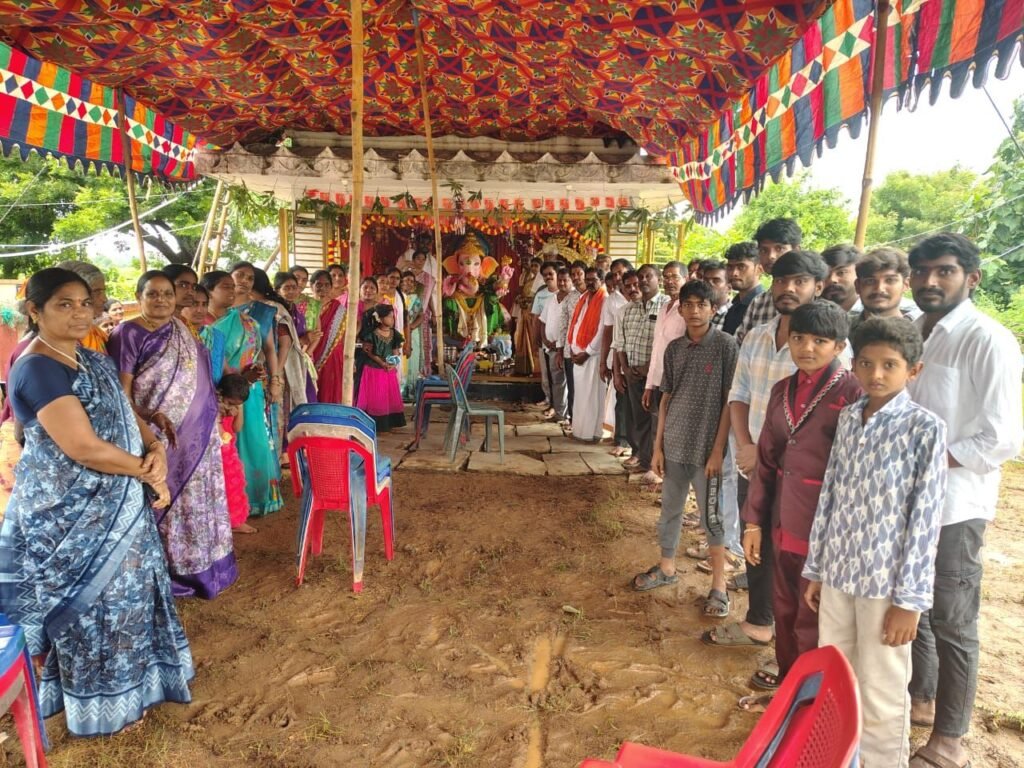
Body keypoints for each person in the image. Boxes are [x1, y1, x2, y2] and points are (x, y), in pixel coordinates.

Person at [0, 267, 193, 736]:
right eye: (64, 304)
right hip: (68, 518)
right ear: (35, 311)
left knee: (128, 600)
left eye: (85, 303)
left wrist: (155, 448)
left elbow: (127, 412)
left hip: (119, 504)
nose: (79, 313)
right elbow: (83, 447)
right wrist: (145, 470)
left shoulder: (92, 358)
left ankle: (137, 689)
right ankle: (97, 706)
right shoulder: (37, 367)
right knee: (92, 611)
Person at [799, 317, 947, 767]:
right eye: (865, 363)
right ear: (854, 364)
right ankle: (839, 758)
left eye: (889, 365)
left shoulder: (924, 428)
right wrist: (817, 568)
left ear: (913, 370)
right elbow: (831, 493)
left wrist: (910, 602)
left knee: (881, 689)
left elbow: (926, 519)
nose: (875, 374)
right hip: (838, 573)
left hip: (885, 585)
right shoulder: (849, 417)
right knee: (836, 675)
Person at [905, 234, 1024, 768]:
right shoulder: (914, 332)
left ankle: (949, 739)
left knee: (953, 620)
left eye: (944, 271)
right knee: (914, 604)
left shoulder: (987, 339)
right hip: (907, 498)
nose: (930, 281)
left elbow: (1001, 438)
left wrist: (926, 460)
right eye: (921, 271)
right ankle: (922, 700)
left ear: (971, 278)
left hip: (956, 506)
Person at [706, 250, 831, 659]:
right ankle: (759, 622)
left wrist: (764, 454)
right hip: (752, 464)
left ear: (818, 287)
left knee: (794, 556)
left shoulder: (828, 349)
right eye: (781, 281)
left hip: (801, 476)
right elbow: (738, 393)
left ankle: (798, 647)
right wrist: (746, 445)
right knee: (754, 542)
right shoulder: (757, 336)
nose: (788, 289)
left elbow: (822, 422)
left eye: (799, 282)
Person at [740, 300, 862, 705]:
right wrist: (754, 522)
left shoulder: (853, 394)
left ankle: (812, 702)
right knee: (785, 610)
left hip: (824, 531)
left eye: (820, 341)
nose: (807, 348)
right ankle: (788, 690)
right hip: (782, 523)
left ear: (839, 346)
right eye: (798, 338)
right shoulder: (782, 390)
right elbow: (766, 460)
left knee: (815, 619)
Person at [109, 271, 238, 600]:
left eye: (167, 293)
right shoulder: (127, 333)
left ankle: (207, 566)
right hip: (157, 437)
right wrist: (150, 421)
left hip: (200, 434)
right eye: (152, 294)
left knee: (199, 499)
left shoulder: (182, 329)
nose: (162, 300)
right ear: (138, 297)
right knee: (166, 501)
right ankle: (171, 572)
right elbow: (122, 394)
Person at [634, 281, 737, 611]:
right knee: (670, 510)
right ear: (679, 309)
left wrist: (718, 450)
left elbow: (730, 401)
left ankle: (719, 586)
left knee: (712, 518)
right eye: (688, 305)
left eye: (701, 304)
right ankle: (667, 567)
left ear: (713, 308)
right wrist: (658, 447)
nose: (694, 311)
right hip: (675, 445)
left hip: (707, 451)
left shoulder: (725, 346)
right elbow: (666, 398)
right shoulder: (674, 349)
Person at [202, 270, 283, 516]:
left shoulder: (248, 322)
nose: (232, 289)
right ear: (209, 292)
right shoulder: (200, 323)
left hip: (247, 391)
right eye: (225, 286)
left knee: (255, 443)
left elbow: (264, 351)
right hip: (216, 394)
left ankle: (253, 499)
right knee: (226, 448)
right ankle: (228, 505)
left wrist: (264, 377)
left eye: (232, 286)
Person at [613, 264, 667, 484]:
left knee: (657, 419)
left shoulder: (666, 306)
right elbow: (621, 343)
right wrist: (625, 370)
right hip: (633, 373)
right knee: (639, 420)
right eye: (640, 277)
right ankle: (644, 460)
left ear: (658, 279)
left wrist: (647, 369)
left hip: (657, 374)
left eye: (648, 277)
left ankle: (656, 465)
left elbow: (664, 343)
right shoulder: (629, 309)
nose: (643, 281)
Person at [735, 219, 802, 344]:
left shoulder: (811, 298)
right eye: (764, 250)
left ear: (796, 250)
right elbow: (740, 344)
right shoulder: (759, 302)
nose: (771, 256)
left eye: (779, 248)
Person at [566, 267, 607, 443]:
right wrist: (571, 347)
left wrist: (587, 352)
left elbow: (602, 330)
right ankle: (580, 431)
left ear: (601, 281)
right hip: (578, 353)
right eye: (588, 279)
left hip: (592, 355)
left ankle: (590, 434)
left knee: (591, 396)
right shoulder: (584, 297)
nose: (589, 282)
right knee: (582, 396)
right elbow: (576, 323)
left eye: (593, 279)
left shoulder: (604, 299)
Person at [356, 304, 406, 432]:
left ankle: (388, 423)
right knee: (376, 397)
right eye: (389, 317)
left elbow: (396, 352)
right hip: (373, 370)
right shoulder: (372, 334)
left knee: (387, 397)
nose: (392, 319)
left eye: (393, 317)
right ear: (380, 318)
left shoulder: (395, 334)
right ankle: (374, 424)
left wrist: (393, 364)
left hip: (388, 370)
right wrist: (382, 363)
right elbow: (369, 352)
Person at [849, 247, 922, 333]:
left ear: (906, 284)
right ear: (857, 286)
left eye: (890, 280)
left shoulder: (923, 332)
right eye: (870, 281)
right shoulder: (841, 330)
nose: (879, 289)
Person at [217, 373, 255, 535]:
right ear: (220, 394)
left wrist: (239, 409)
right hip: (217, 450)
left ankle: (236, 520)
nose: (231, 407)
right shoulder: (214, 406)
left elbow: (237, 428)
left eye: (237, 405)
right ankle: (224, 520)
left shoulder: (235, 407)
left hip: (229, 450)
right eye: (230, 403)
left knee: (234, 484)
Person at [538, 267, 572, 424]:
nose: (562, 283)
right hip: (550, 347)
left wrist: (559, 345)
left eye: (566, 280)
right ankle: (559, 412)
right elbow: (543, 321)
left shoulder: (574, 299)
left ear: (571, 281)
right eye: (561, 280)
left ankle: (568, 415)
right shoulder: (551, 299)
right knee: (557, 381)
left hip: (566, 348)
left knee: (568, 383)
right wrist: (545, 340)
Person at [555, 260, 586, 427]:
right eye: (573, 274)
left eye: (579, 273)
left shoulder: (595, 296)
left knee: (586, 389)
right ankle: (574, 421)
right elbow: (563, 325)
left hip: (588, 351)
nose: (576, 277)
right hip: (569, 350)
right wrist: (560, 351)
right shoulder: (569, 298)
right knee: (572, 387)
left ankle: (586, 423)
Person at [56, 259, 109, 352]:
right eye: (96, 292)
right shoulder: (53, 343)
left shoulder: (96, 333)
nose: (105, 299)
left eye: (103, 291)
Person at [531, 262, 559, 417]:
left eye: (551, 274)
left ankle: (558, 405)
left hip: (559, 343)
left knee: (557, 375)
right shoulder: (540, 294)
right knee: (546, 373)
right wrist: (535, 338)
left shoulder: (563, 293)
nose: (548, 277)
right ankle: (549, 399)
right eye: (545, 275)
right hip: (544, 340)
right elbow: (536, 319)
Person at [722, 242, 764, 336]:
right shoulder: (734, 306)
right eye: (730, 267)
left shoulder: (764, 306)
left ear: (759, 270)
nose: (734, 273)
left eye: (741, 267)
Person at [401, 270, 425, 400]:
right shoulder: (397, 297)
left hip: (412, 332)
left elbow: (421, 316)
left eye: (411, 281)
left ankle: (411, 390)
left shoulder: (416, 298)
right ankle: (400, 390)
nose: (408, 283)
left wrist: (411, 327)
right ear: (401, 282)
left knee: (412, 359)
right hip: (399, 331)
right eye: (406, 280)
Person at [820, 243, 862, 313]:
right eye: (826, 274)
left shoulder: (872, 312)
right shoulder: (810, 313)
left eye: (841, 272)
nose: (832, 279)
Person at [702, 260, 732, 328]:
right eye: (706, 280)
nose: (709, 284)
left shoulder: (734, 315)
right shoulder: (697, 311)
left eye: (716, 280)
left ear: (729, 287)